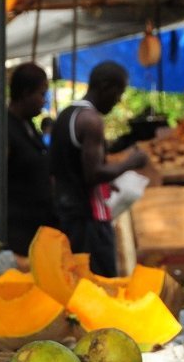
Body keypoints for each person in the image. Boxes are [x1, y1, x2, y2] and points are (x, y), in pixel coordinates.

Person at [49, 61, 147, 277]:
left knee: (74, 281)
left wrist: (108, 182)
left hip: (66, 213)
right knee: (101, 283)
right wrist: (131, 161)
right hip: (89, 219)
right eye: (118, 92)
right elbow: (93, 173)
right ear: (104, 86)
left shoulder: (66, 116)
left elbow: (67, 167)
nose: (118, 100)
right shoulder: (91, 121)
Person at [0, 63, 56, 257]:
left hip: (37, 227)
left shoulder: (29, 125)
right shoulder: (1, 128)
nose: (44, 101)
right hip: (15, 233)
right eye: (41, 94)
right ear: (25, 93)